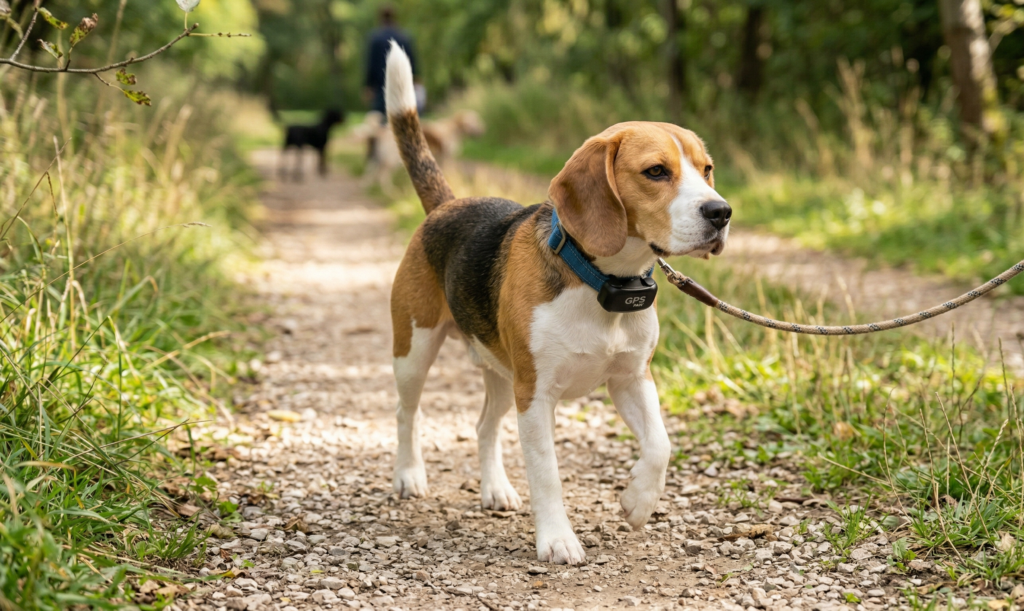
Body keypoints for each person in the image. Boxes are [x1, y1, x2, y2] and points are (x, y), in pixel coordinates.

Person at [364, 6, 420, 116]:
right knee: (403, 115)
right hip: (401, 84)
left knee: (380, 118)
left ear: (380, 18)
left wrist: (368, 85)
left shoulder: (375, 39)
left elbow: (371, 64)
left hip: (381, 85)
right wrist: (415, 79)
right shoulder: (404, 37)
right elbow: (411, 62)